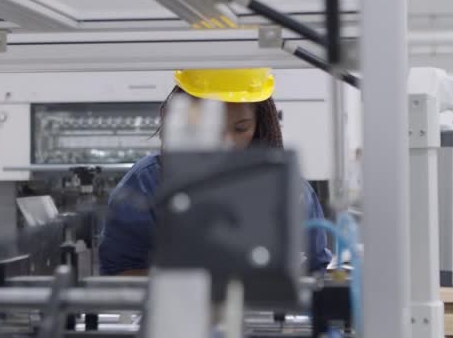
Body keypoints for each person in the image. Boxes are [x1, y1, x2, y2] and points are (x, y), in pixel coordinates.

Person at [98, 68, 331, 276]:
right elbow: (119, 273)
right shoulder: (147, 182)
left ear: (261, 125)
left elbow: (314, 271)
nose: (226, 142)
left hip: (267, 321)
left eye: (241, 128)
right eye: (213, 127)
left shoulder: (291, 189)